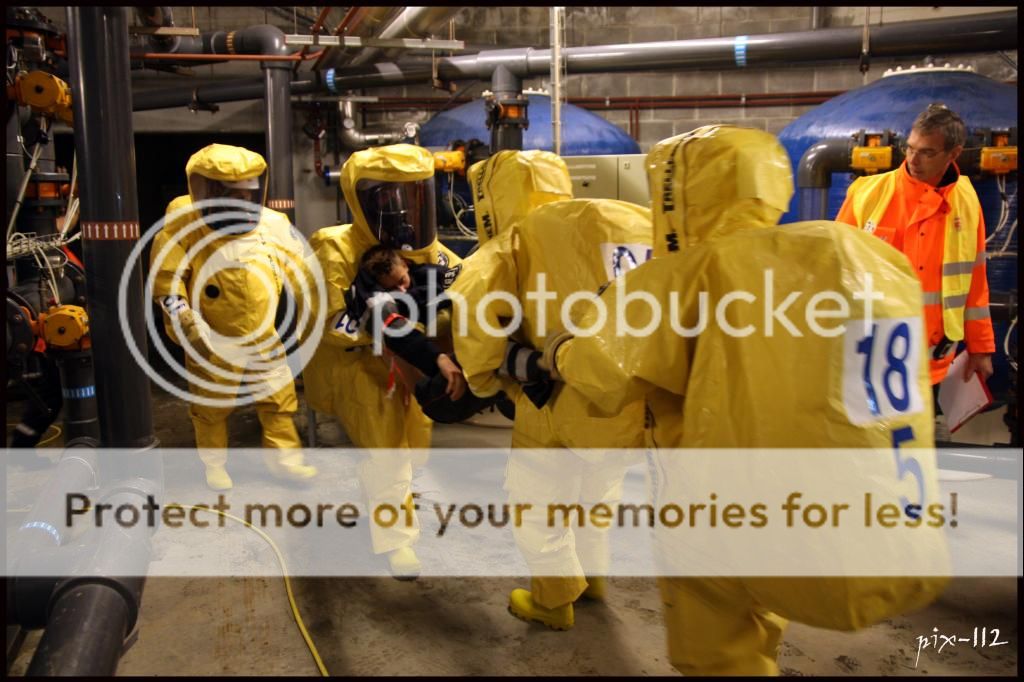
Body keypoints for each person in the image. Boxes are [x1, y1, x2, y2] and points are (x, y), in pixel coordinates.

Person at [541, 126, 948, 675]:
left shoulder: (688, 274)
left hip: (714, 507)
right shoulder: (857, 254)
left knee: (715, 647)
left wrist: (560, 348)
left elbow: (605, 371)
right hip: (841, 513)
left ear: (674, 195)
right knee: (764, 608)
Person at [451, 149, 651, 630]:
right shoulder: (633, 218)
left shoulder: (516, 241)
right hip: (631, 401)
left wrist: (486, 380)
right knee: (598, 493)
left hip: (557, 399)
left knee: (539, 502)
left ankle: (554, 599)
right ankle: (595, 577)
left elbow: (475, 313)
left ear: (491, 200)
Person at [304, 143, 463, 580]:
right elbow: (335, 322)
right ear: (363, 199)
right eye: (390, 199)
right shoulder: (334, 247)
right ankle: (396, 540)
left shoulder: (426, 249)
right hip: (359, 364)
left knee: (416, 436)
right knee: (386, 443)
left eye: (414, 196)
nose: (403, 212)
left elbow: (467, 277)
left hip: (410, 359)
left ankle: (390, 493)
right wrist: (407, 324)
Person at [151, 143, 318, 491]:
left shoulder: (272, 224)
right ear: (208, 191)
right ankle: (214, 466)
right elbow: (167, 279)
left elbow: (301, 272)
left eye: (247, 192)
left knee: (278, 397)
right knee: (212, 404)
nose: (242, 201)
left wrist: (319, 311)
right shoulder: (184, 222)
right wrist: (184, 319)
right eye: (231, 194)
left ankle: (286, 462)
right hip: (212, 337)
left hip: (263, 333)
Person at [836, 103, 995, 386]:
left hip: (936, 363)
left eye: (927, 152)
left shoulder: (967, 201)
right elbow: (834, 270)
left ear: (953, 154)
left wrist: (980, 347)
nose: (913, 159)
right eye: (910, 148)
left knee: (929, 431)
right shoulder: (867, 195)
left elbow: (975, 279)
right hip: (874, 359)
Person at [349, 244, 467, 401]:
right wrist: (438, 358)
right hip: (410, 350)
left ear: (405, 265)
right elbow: (391, 326)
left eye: (402, 280)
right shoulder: (374, 295)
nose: (402, 291)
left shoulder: (431, 274)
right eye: (393, 288)